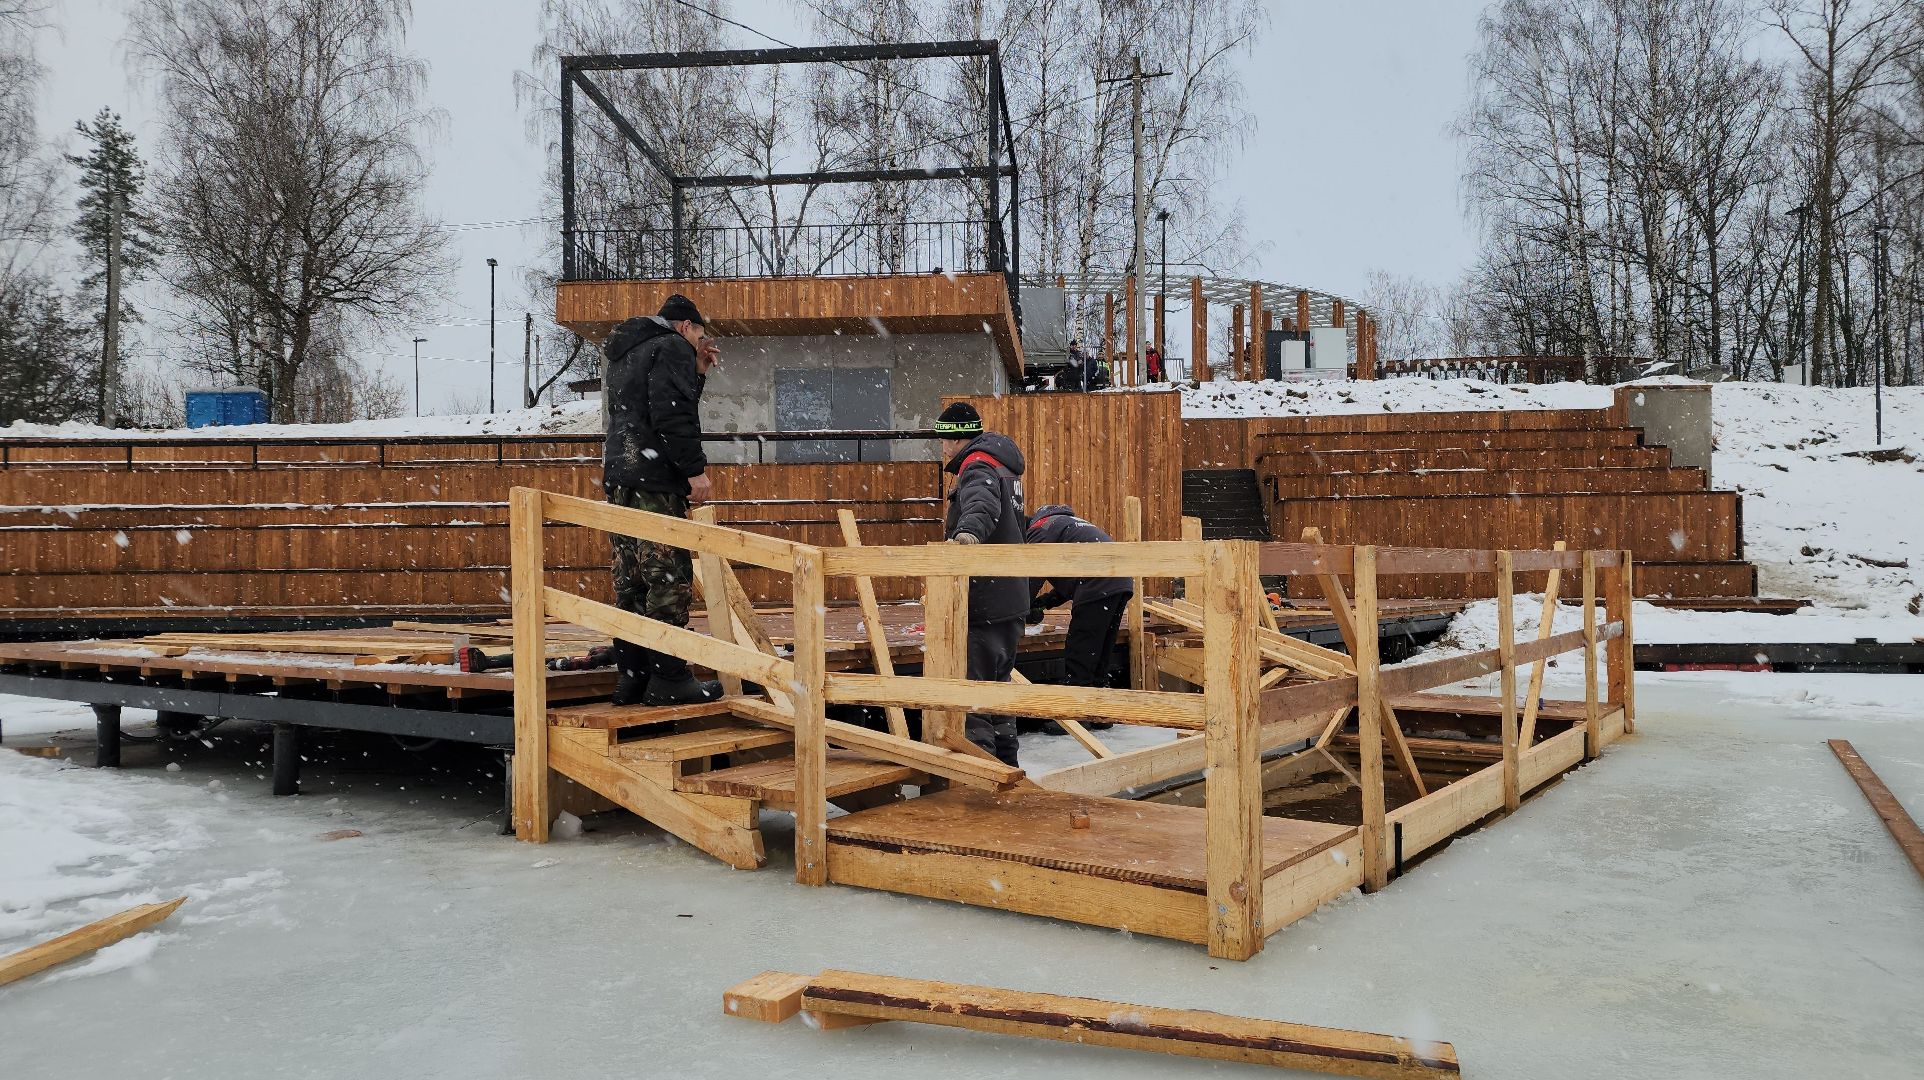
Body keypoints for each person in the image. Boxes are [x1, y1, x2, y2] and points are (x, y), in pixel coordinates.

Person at [602, 293, 725, 707]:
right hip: (656, 481)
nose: (698, 343)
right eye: (699, 336)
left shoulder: (627, 351)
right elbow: (672, 413)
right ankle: (670, 679)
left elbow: (642, 409)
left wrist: (697, 373)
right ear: (685, 327)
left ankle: (632, 678)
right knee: (667, 576)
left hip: (621, 477)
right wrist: (694, 470)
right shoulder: (671, 345)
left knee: (630, 581)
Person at [936, 401, 1028, 767]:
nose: (942, 449)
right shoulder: (1004, 466)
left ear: (960, 439)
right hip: (1010, 598)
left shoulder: (977, 466)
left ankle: (984, 778)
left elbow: (981, 506)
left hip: (984, 600)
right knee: (996, 691)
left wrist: (966, 537)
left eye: (945, 441)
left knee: (973, 694)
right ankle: (1007, 768)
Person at [1023, 504, 1133, 731]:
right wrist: (1044, 602)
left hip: (1097, 582)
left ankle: (1074, 717)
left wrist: (1021, 606)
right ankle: (1099, 714)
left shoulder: (1039, 528)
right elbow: (1070, 576)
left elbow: (1033, 569)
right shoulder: (1064, 525)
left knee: (1080, 649)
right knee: (1099, 650)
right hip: (1118, 580)